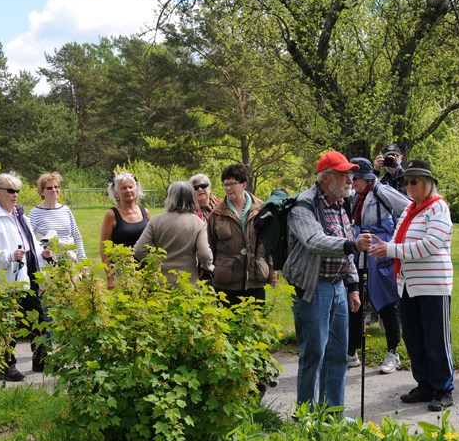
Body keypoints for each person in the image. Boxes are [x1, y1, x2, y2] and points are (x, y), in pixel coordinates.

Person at [283, 151, 373, 410]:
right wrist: (351, 245)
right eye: (343, 174)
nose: (349, 179)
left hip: (339, 287)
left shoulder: (341, 204)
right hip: (313, 288)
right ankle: (307, 416)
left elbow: (347, 245)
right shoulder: (304, 205)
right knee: (314, 354)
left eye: (350, 174)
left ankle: (332, 414)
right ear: (325, 178)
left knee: (338, 355)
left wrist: (354, 286)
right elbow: (314, 241)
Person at [368, 159, 454, 411]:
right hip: (407, 284)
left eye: (414, 181)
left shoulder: (438, 208)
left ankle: (443, 388)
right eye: (406, 182)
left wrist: (391, 249)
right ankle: (425, 384)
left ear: (428, 183)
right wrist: (385, 248)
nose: (409, 186)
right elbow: (396, 238)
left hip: (433, 285)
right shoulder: (409, 210)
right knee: (415, 338)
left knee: (436, 339)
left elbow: (430, 245)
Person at [0, 173, 53, 381]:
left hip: (29, 274)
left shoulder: (21, 217)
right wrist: (8, 256)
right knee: (9, 323)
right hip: (7, 278)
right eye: (11, 191)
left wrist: (43, 254)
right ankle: (6, 367)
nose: (15, 195)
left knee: (37, 318)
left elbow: (31, 245)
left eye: (17, 190)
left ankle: (41, 359)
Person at [347, 157, 410, 373]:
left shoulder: (381, 191)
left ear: (367, 178)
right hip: (360, 252)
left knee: (385, 302)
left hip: (379, 253)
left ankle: (393, 351)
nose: (352, 181)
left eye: (356, 178)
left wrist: (393, 238)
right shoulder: (356, 196)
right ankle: (351, 350)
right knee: (355, 299)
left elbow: (408, 209)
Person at [207, 163, 277, 307]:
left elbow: (269, 245)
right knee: (227, 326)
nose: (227, 188)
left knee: (254, 325)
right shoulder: (217, 214)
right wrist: (209, 275)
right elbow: (210, 247)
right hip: (226, 282)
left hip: (255, 280)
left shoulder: (261, 209)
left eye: (232, 184)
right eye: (225, 185)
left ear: (244, 184)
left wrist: (272, 275)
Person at [134, 181, 213, 284]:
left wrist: (152, 265)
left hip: (160, 281)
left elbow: (139, 250)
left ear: (170, 197)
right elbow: (205, 254)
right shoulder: (198, 223)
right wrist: (208, 267)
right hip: (187, 283)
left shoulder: (156, 220)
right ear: (192, 198)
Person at [100, 172, 150, 289]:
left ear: (136, 189)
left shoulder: (145, 212)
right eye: (123, 188)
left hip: (145, 269)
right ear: (116, 193)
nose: (128, 190)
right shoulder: (111, 214)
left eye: (130, 187)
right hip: (122, 270)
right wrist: (110, 276)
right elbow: (104, 248)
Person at [28, 172, 86, 263]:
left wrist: (83, 261)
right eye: (49, 188)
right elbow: (28, 238)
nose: (54, 190)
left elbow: (77, 236)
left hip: (69, 261)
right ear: (41, 191)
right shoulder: (35, 213)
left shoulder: (65, 210)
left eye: (56, 187)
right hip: (47, 262)